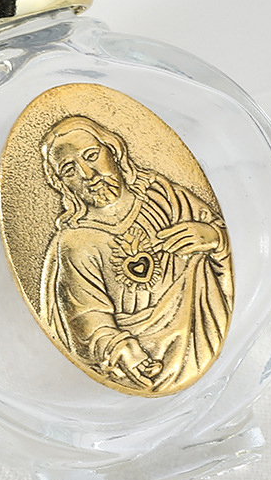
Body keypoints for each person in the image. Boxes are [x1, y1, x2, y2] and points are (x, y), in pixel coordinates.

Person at [40, 115, 233, 395]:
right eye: (70, 170)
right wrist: (119, 347)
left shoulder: (162, 196)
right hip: (145, 367)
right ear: (62, 185)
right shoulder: (76, 243)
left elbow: (224, 241)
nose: (88, 175)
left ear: (114, 151)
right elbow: (86, 316)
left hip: (207, 332)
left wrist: (214, 238)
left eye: (91, 156)